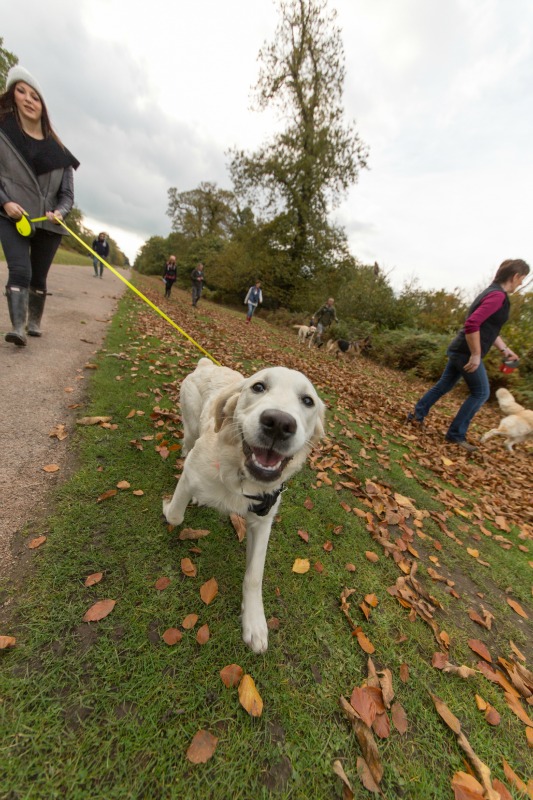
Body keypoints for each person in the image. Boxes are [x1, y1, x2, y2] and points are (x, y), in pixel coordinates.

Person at [407, 259, 530, 452]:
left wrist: (504, 349)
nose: (521, 284)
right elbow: (473, 323)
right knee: (481, 393)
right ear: (515, 276)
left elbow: (489, 327)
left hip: (460, 349)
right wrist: (475, 354)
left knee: (443, 386)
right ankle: (455, 435)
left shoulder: (492, 292)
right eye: (522, 279)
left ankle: (416, 416)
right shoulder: (497, 296)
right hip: (467, 352)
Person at [0, 66, 79, 346]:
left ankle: (34, 321)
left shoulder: (61, 152)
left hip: (49, 225)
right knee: (20, 270)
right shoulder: (3, 136)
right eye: (21, 91)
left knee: (39, 277)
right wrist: (6, 202)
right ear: (13, 97)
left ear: (42, 105)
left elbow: (68, 195)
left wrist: (60, 212)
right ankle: (18, 327)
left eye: (35, 95)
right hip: (12, 218)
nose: (28, 99)